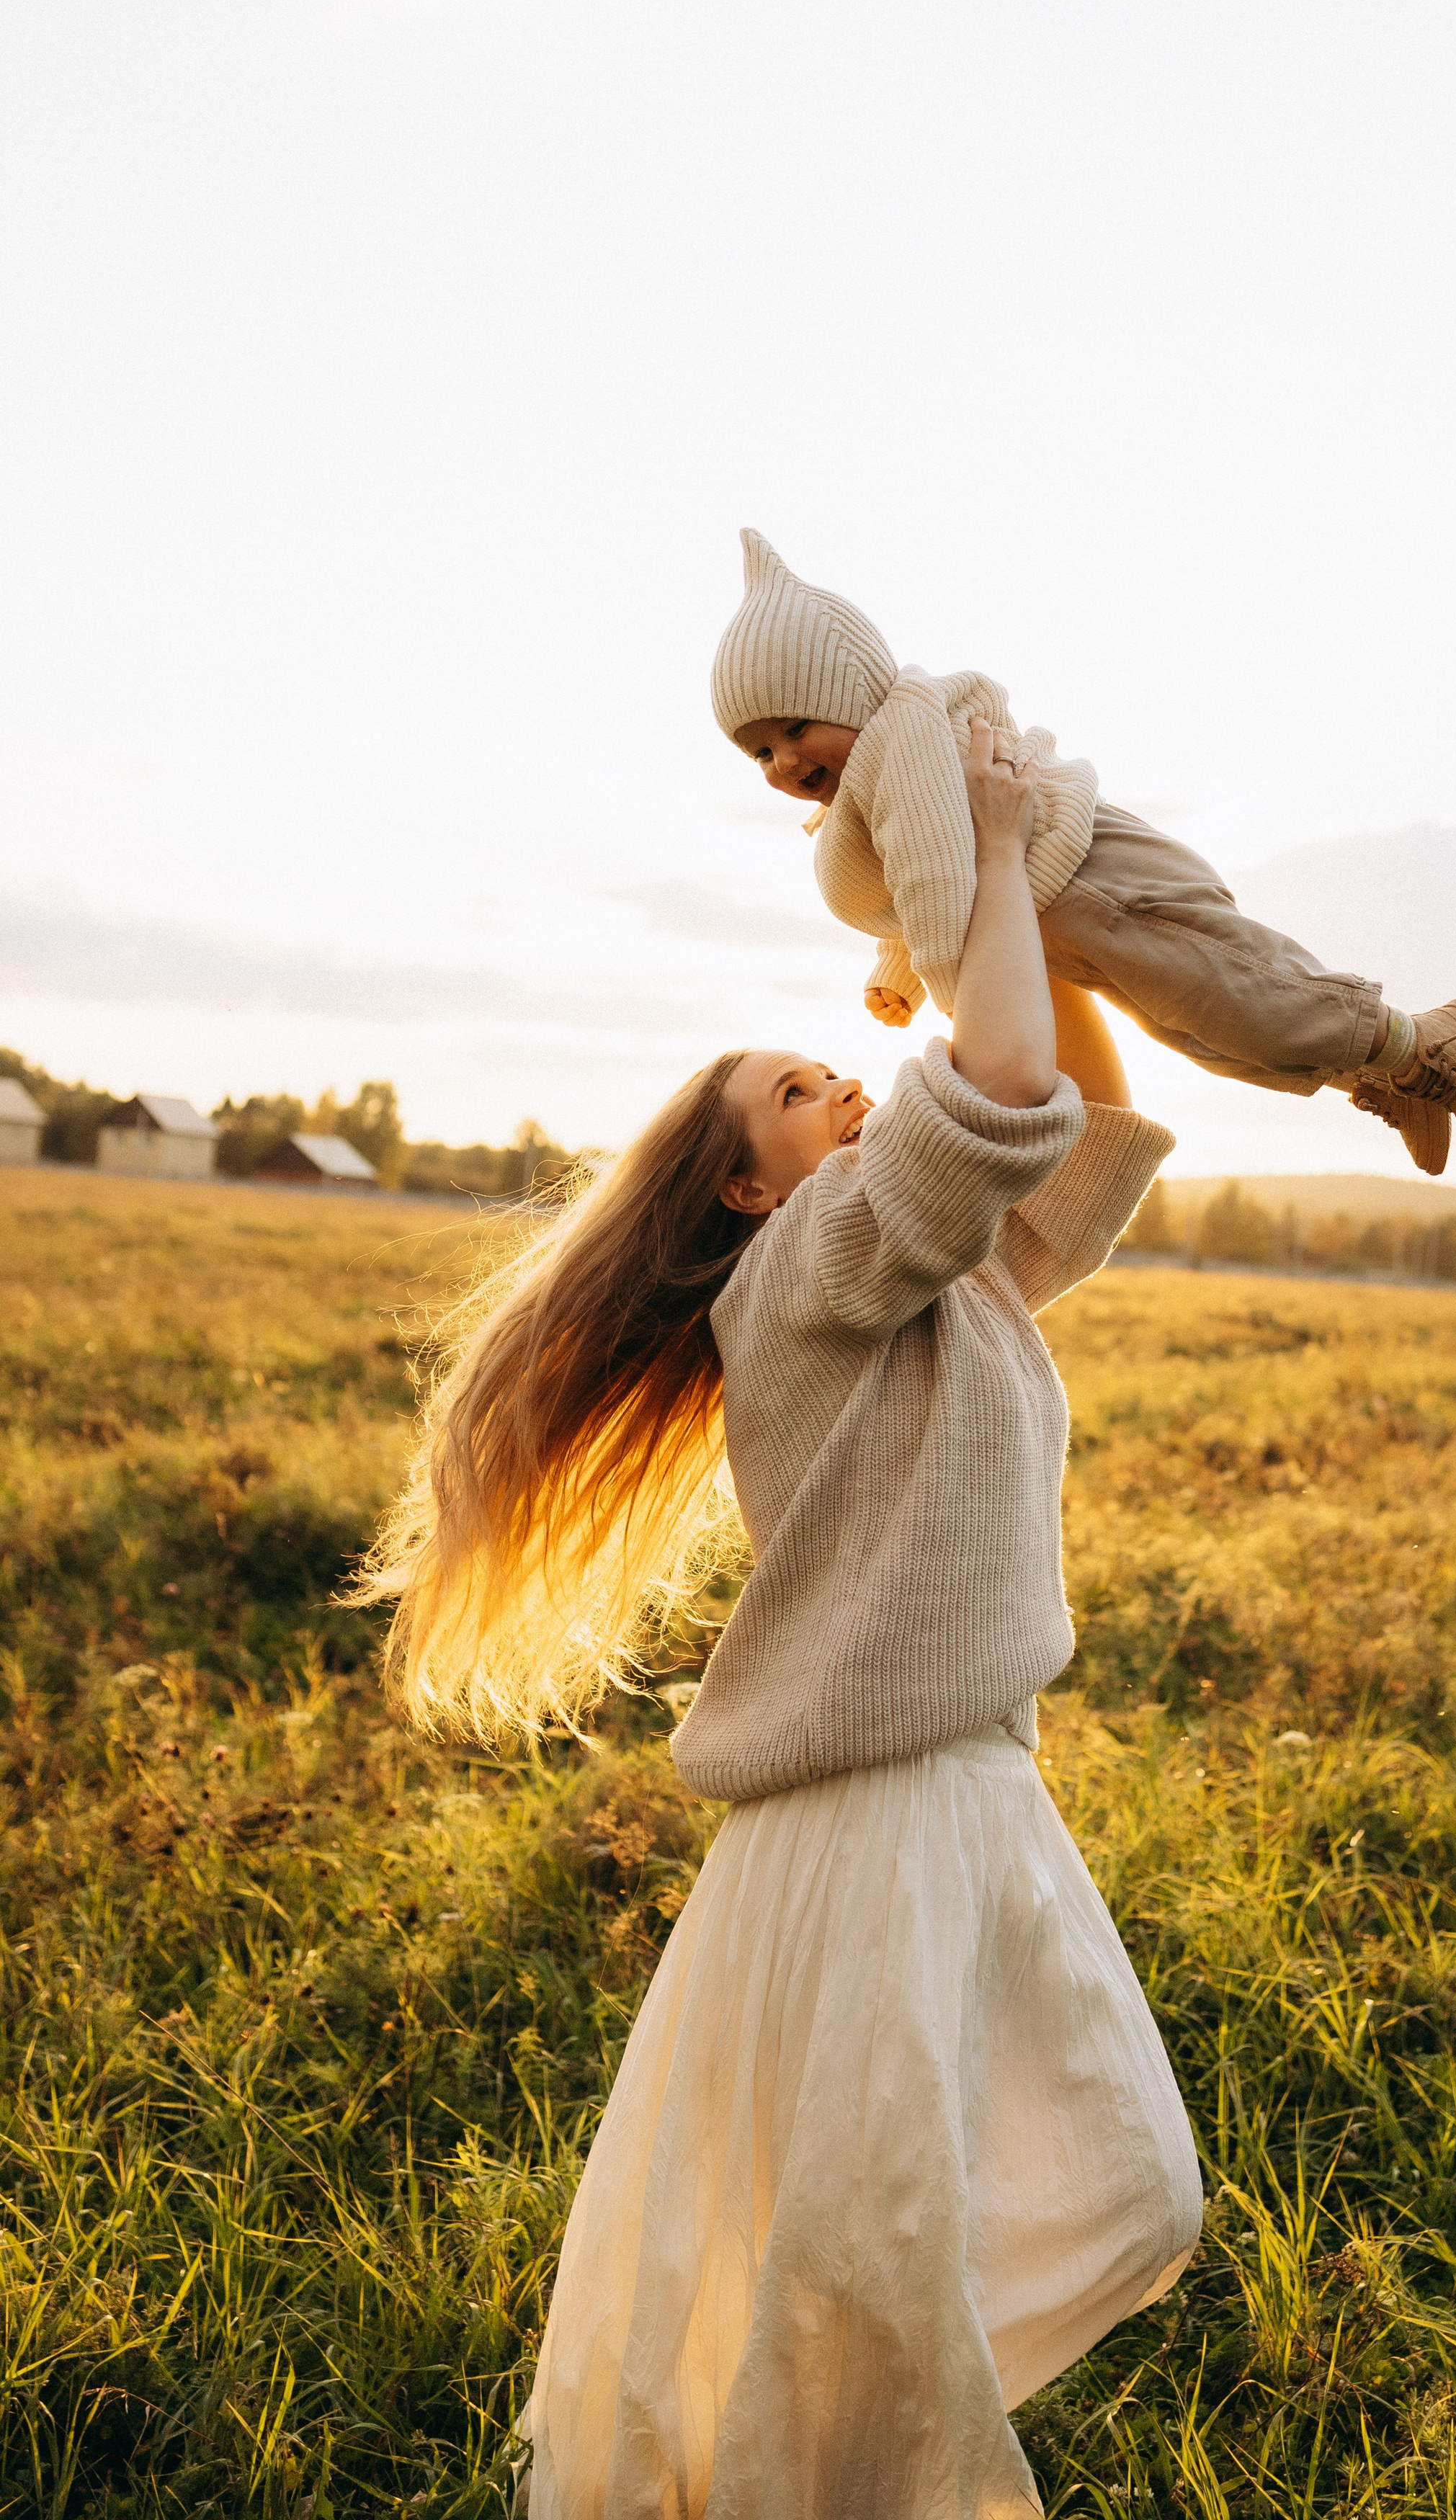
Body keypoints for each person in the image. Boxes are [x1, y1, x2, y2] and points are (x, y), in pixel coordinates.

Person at [358, 719, 1202, 2519]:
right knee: (869, 2262)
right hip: (878, 1807)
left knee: (1066, 2199)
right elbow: (990, 1079)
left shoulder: (940, 1261)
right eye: (807, 1093)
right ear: (750, 1185)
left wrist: (1034, 913)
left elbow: (1089, 1109)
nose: (849, 1092)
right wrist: (966, 855)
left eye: (837, 1070)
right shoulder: (809, 1270)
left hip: (964, 1788)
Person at [711, 528, 1456, 1181]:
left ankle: (1426, 1042)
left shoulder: (902, 740)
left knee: (1241, 997)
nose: (783, 762)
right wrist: (897, 970)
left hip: (1100, 884)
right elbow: (922, 866)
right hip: (1073, 921)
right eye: (758, 753)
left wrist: (970, 1017)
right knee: (1208, 1038)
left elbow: (936, 879)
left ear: (849, 691)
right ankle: (1383, 1075)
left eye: (793, 727)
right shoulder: (878, 784)